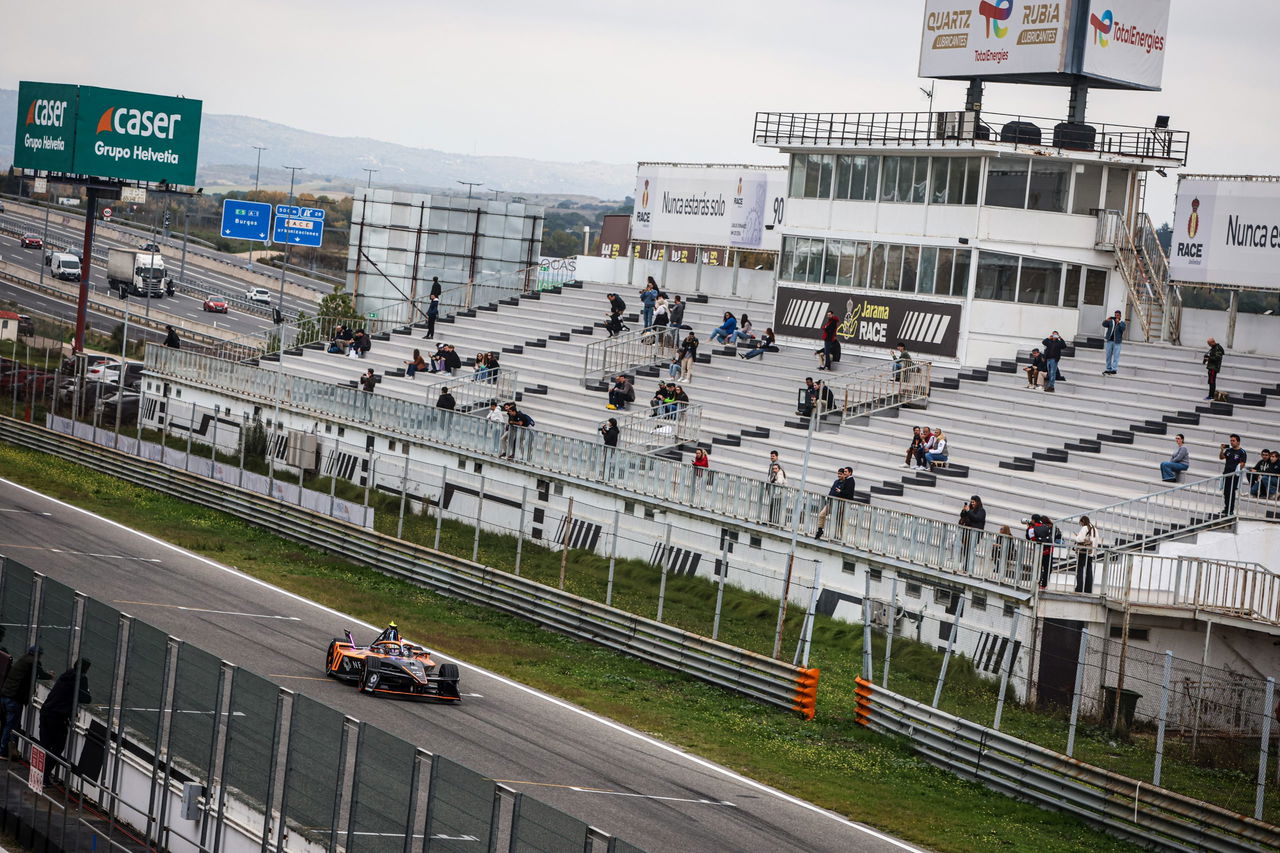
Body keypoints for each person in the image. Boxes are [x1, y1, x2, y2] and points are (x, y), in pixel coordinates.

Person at [38, 658, 91, 776]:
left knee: (45, 746)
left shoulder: (66, 674)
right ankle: (45, 775)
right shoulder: (81, 679)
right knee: (58, 747)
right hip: (57, 717)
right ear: (86, 669)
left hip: (46, 711)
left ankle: (39, 775)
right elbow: (86, 698)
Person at [0, 646, 50, 760]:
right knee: (11, 726)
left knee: (9, 725)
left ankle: (10, 751)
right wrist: (50, 675)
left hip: (5, 695)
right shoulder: (33, 663)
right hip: (14, 699)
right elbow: (41, 674)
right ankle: (3, 752)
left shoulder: (23, 659)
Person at [816, 467, 857, 539]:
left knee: (840, 521)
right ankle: (820, 530)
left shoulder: (848, 482)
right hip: (831, 502)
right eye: (839, 473)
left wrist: (840, 492)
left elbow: (848, 494)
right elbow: (832, 491)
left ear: (848, 473)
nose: (840, 475)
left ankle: (841, 536)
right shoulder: (836, 482)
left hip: (840, 504)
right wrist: (828, 498)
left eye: (842, 473)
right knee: (822, 514)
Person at [958, 496, 987, 574]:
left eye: (973, 502)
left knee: (970, 550)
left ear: (977, 502)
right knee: (966, 550)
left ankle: (968, 568)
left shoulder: (982, 511)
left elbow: (976, 518)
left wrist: (969, 512)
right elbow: (962, 516)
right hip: (967, 533)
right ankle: (965, 567)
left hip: (975, 534)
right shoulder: (970, 510)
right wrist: (964, 511)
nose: (972, 503)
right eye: (971, 502)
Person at [1220, 433, 1247, 514]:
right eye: (1231, 441)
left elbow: (1243, 464)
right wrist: (1221, 450)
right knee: (1226, 492)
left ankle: (1230, 510)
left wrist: (1237, 471)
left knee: (1231, 492)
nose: (1231, 442)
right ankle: (1226, 508)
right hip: (1226, 474)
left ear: (1238, 442)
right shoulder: (1228, 450)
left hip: (1234, 475)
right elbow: (1221, 457)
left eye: (1233, 441)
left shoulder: (1242, 452)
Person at [1073, 516, 1100, 593]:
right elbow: (1096, 540)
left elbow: (1080, 539)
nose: (1081, 524)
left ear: (1083, 521)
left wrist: (1077, 537)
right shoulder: (1095, 529)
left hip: (1084, 551)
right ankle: (1088, 589)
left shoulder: (1085, 528)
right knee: (1089, 570)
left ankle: (1079, 588)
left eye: (1080, 523)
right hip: (1091, 552)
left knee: (1080, 569)